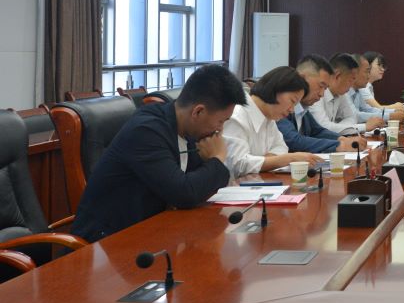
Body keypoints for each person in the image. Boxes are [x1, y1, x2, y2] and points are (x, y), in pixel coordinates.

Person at [71, 64, 245, 242]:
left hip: (153, 233)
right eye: (221, 121)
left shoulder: (188, 129)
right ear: (198, 112)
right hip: (105, 242)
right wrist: (217, 159)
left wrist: (211, 164)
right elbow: (184, 193)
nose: (220, 130)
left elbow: (198, 185)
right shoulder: (146, 130)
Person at [223, 66, 325, 178]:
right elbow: (237, 164)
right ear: (276, 89)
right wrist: (289, 158)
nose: (292, 110)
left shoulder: (269, 117)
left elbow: (281, 147)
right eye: (292, 101)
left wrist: (267, 160)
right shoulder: (236, 115)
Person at [276, 54, 343, 153]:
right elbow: (293, 141)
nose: (322, 94)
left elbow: (318, 131)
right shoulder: (281, 104)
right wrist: (338, 145)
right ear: (302, 78)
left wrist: (341, 139)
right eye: (321, 86)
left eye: (325, 89)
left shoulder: (303, 108)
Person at [309, 53, 383, 134]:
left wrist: (337, 128)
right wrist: (365, 127)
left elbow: (352, 117)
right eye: (351, 80)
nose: (352, 85)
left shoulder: (340, 93)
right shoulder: (317, 93)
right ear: (337, 76)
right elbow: (323, 127)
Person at [350, 54, 404, 123]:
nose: (368, 75)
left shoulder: (358, 90)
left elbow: (368, 109)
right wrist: (390, 115)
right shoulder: (345, 92)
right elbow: (356, 116)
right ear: (354, 73)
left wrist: (394, 111)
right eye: (367, 71)